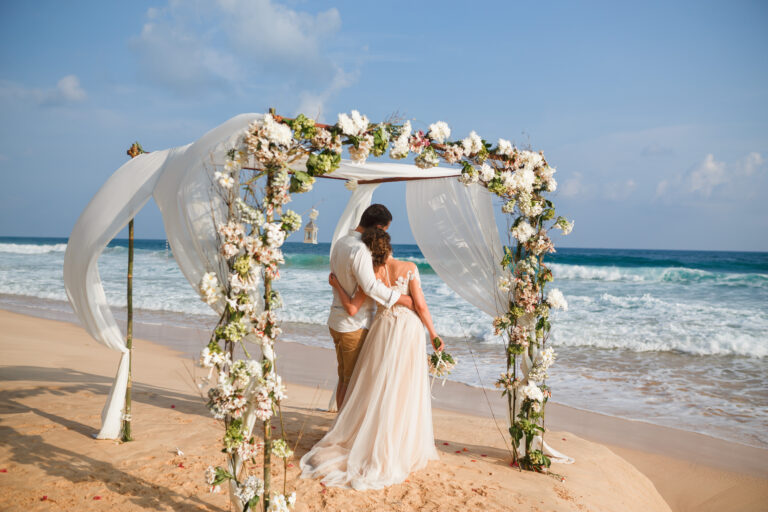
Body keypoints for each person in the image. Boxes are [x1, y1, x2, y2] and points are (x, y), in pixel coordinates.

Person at [300, 227, 444, 490]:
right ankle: (396, 442)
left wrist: (336, 285)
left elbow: (355, 304)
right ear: (389, 246)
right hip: (407, 331)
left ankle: (367, 434)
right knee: (403, 387)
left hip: (381, 329)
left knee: (376, 385)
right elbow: (420, 306)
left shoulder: (372, 274)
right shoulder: (409, 266)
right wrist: (434, 335)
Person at [326, 204, 414, 410]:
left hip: (336, 321)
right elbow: (371, 286)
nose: (384, 234)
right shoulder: (360, 250)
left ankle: (340, 425)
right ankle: (343, 429)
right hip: (353, 325)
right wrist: (403, 299)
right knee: (352, 382)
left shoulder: (341, 242)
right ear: (377, 227)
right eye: (384, 230)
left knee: (344, 378)